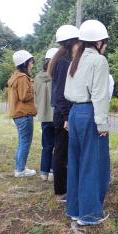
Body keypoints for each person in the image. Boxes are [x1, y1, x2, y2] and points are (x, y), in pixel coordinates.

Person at [64, 19, 110, 226]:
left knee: (75, 162)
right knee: (92, 164)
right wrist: (102, 125)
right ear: (99, 41)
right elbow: (99, 95)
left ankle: (74, 209)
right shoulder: (98, 61)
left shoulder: (77, 59)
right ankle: (89, 215)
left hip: (74, 113)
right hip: (89, 113)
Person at [48, 25, 79, 202]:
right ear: (71, 43)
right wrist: (67, 117)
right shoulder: (63, 63)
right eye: (78, 42)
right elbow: (60, 95)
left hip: (63, 113)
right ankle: (60, 192)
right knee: (61, 152)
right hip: (63, 115)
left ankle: (64, 187)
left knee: (63, 151)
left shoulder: (63, 61)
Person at [7, 50, 37, 177]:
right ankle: (20, 170)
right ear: (25, 63)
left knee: (22, 142)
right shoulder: (23, 78)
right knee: (25, 142)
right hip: (24, 114)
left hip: (18, 114)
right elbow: (24, 96)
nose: (32, 64)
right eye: (31, 62)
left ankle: (19, 167)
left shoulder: (15, 76)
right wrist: (34, 90)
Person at [34, 47, 58, 182]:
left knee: (47, 145)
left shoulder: (37, 77)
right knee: (58, 146)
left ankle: (44, 172)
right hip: (56, 115)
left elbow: (36, 96)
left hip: (43, 117)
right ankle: (53, 172)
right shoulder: (57, 76)